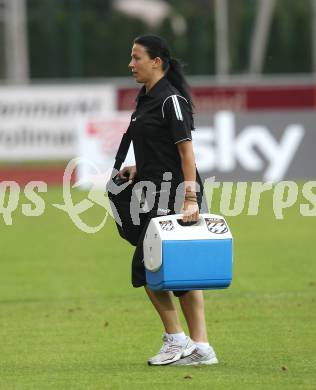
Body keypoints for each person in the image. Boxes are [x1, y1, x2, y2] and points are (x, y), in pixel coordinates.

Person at [117, 34, 218, 366]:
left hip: (174, 195)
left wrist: (190, 199)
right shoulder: (146, 99)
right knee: (174, 271)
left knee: (151, 269)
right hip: (151, 192)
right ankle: (200, 347)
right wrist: (136, 168)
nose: (131, 64)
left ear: (156, 62)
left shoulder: (171, 100)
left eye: (136, 57)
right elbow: (158, 149)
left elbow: (186, 152)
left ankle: (179, 340)